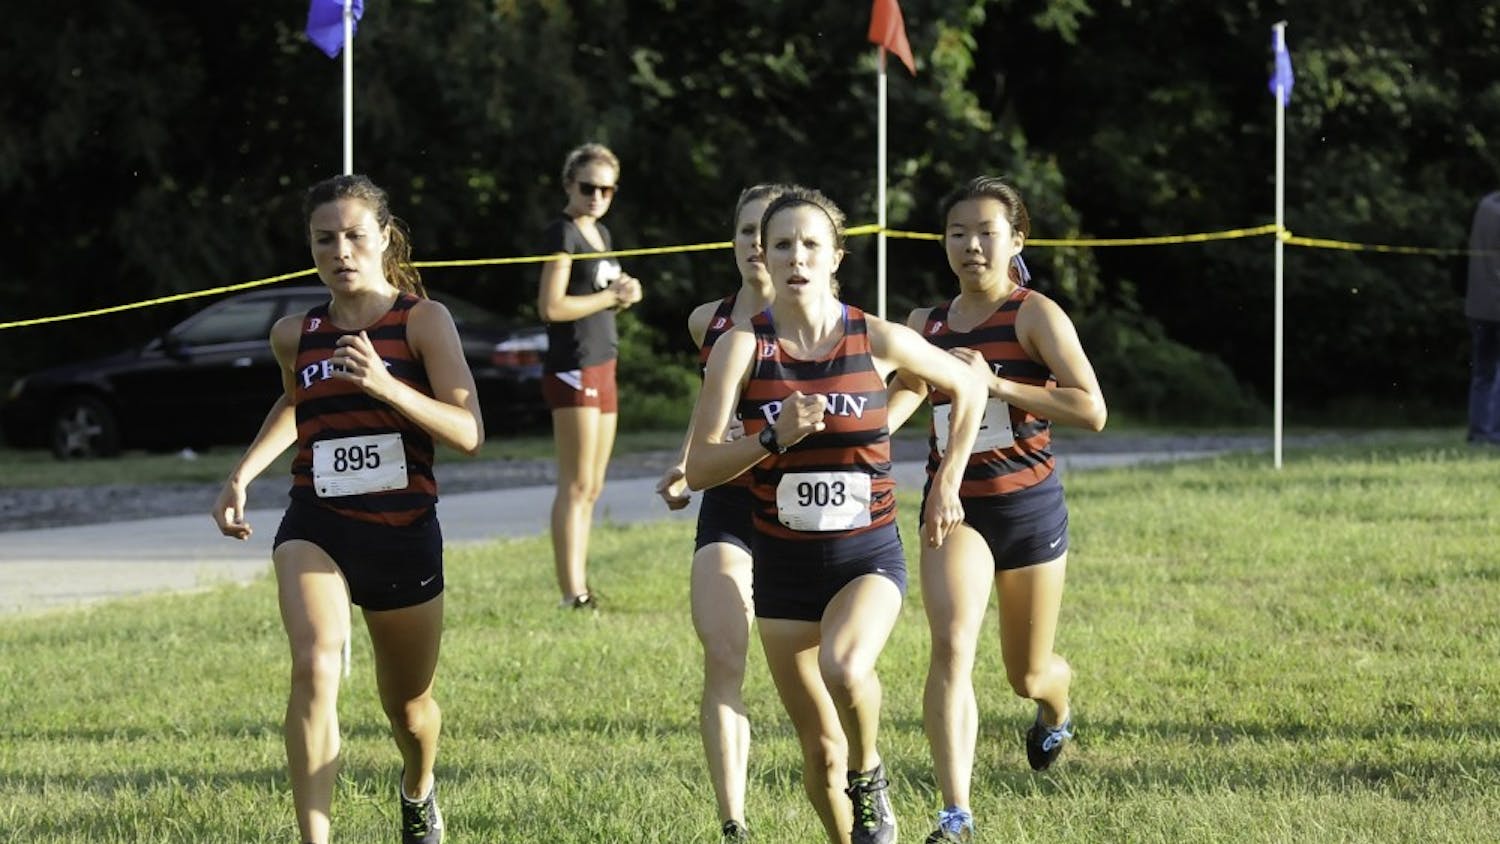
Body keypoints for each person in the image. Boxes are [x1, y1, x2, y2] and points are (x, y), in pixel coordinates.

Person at [685, 186, 985, 844]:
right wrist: (771, 438)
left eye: (810, 244)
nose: (796, 257)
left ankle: (871, 768)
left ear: (835, 258)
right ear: (764, 254)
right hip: (783, 569)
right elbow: (701, 466)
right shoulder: (741, 348)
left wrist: (947, 484)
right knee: (819, 753)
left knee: (846, 668)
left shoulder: (874, 335)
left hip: (867, 555)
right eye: (782, 244)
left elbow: (968, 383)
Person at [212, 174, 484, 844]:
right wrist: (242, 473)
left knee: (410, 710)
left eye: (355, 236)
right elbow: (295, 403)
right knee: (314, 662)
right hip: (317, 524)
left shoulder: (422, 320)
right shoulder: (294, 333)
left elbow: (469, 431)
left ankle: (418, 789)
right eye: (324, 239)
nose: (341, 251)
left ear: (384, 238)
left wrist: (386, 385)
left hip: (403, 534)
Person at [885, 176, 1107, 844]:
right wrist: (859, 434)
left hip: (1029, 512)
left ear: (1016, 240)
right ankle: (956, 813)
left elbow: (1091, 409)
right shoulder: (928, 325)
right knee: (951, 647)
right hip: (955, 508)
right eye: (958, 232)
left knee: (1026, 673)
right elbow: (902, 402)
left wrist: (999, 383)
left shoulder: (1035, 314)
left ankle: (1054, 710)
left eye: (987, 232)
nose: (972, 245)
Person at [655, 183, 788, 843]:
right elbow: (711, 409)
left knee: (822, 673)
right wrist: (687, 463)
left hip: (807, 507)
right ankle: (733, 821)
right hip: (732, 501)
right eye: (746, 232)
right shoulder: (706, 320)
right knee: (724, 653)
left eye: (772, 231)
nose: (757, 245)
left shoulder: (828, 321)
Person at [538, 142, 644, 609]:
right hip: (573, 364)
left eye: (607, 189)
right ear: (568, 185)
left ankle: (581, 587)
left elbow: (603, 289)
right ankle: (571, 592)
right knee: (576, 484)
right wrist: (610, 299)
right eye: (588, 187)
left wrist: (626, 291)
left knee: (594, 486)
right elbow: (551, 306)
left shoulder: (601, 231)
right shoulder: (562, 233)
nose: (597, 196)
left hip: (604, 361)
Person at [1466, 191, 1500, 446]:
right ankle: (1493, 431)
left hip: (1478, 305)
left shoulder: (1485, 206)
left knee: (1483, 372)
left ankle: (1480, 431)